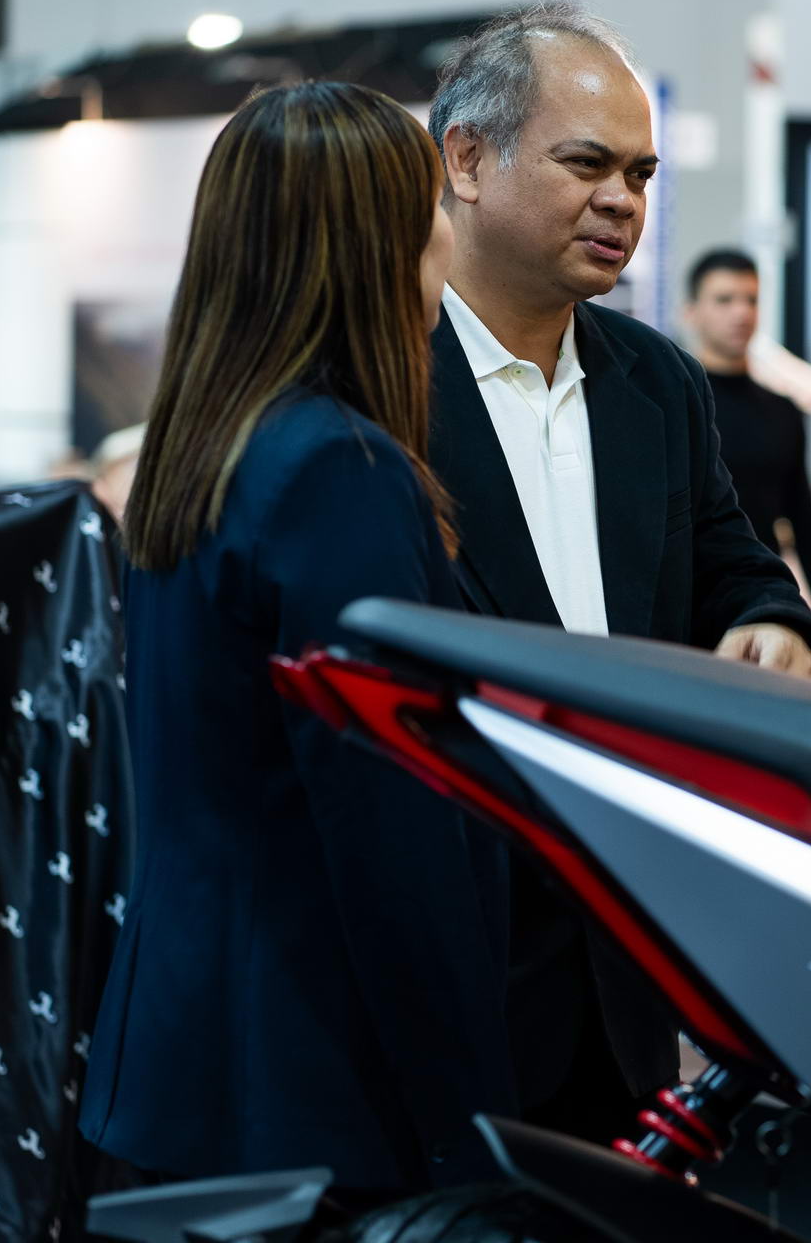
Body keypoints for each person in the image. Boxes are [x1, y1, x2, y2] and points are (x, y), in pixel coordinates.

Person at [80, 81, 518, 1197]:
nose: (447, 237)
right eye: (431, 208)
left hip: (182, 1059)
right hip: (306, 1078)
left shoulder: (203, 449)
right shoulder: (339, 470)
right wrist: (473, 1119)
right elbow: (387, 825)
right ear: (376, 242)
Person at [424, 0, 811, 1145]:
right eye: (586, 164)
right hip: (445, 973)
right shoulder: (377, 385)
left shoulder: (655, 383)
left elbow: (733, 562)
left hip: (623, 968)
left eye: (641, 175)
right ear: (466, 160)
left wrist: (778, 625)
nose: (622, 201)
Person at [680, 247, 811, 629]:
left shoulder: (783, 410)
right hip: (684, 604)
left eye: (751, 300)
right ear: (692, 312)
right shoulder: (674, 403)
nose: (741, 312)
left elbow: (804, 521)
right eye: (724, 300)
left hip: (758, 600)